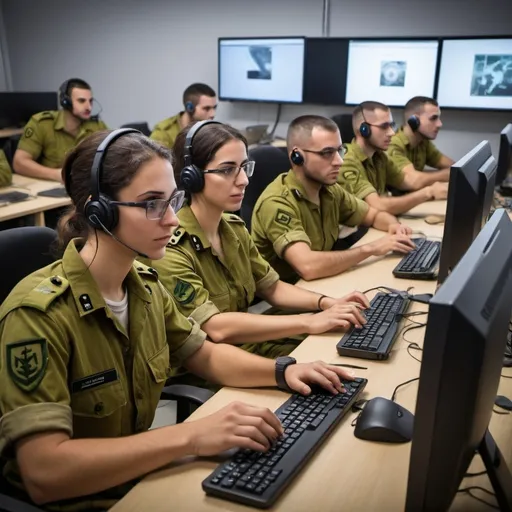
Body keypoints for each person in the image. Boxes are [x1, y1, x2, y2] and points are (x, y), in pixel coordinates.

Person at [0, 128, 357, 511]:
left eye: (173, 200)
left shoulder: (145, 287)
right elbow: (44, 473)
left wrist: (282, 372)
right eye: (152, 203)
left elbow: (204, 354)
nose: (172, 220)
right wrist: (191, 436)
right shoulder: (38, 316)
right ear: (97, 212)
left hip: (138, 477)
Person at [142, 121, 370, 386]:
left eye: (244, 168)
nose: (244, 180)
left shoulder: (233, 229)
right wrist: (308, 322)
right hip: (209, 370)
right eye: (228, 170)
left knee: (342, 354)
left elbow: (272, 288)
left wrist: (326, 303)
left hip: (247, 346)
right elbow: (217, 326)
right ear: (192, 176)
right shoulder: (169, 247)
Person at [251, 115, 415, 283]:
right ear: (297, 156)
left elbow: (372, 215)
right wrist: (371, 248)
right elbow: (308, 267)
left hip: (322, 283)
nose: (339, 161)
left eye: (339, 151)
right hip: (285, 299)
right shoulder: (277, 203)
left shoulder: (329, 190)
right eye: (327, 153)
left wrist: (394, 226)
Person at [338, 101, 448, 215]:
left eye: (392, 125)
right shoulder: (346, 162)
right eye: (384, 126)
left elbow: (408, 181)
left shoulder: (379, 157)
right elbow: (378, 205)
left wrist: (438, 186)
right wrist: (428, 193)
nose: (391, 133)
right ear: (363, 129)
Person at [13, 78, 108, 182]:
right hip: (51, 186)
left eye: (90, 101)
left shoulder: (97, 126)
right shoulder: (42, 124)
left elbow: (112, 157)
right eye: (81, 101)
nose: (89, 107)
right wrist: (57, 174)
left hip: (85, 185)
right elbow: (19, 163)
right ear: (65, 101)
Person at [387, 96, 454, 177]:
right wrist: (448, 174)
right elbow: (413, 180)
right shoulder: (393, 144)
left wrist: (453, 173)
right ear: (414, 120)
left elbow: (453, 167)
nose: (440, 124)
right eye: (433, 118)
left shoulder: (422, 142)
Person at [150, 83, 217, 149]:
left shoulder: (211, 130)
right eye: (206, 108)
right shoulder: (163, 133)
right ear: (190, 108)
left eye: (214, 107)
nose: (213, 114)